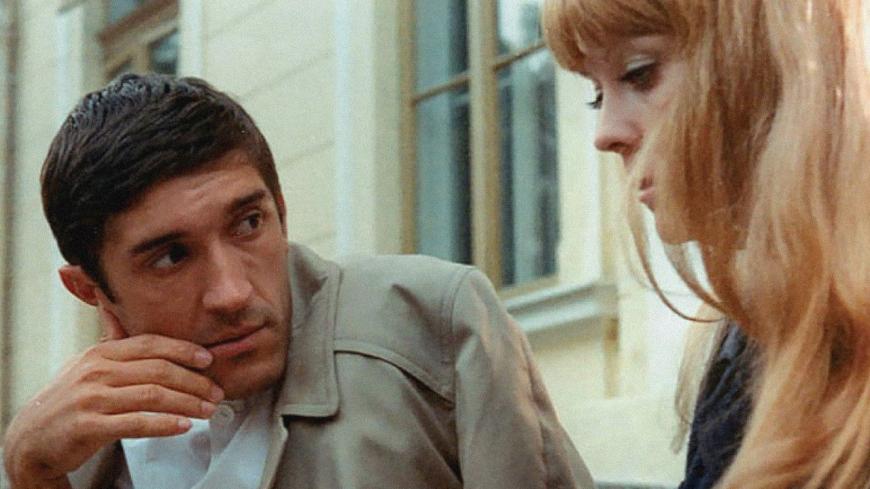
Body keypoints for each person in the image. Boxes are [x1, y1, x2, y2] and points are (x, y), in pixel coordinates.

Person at [0, 74, 594, 489]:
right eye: (171, 257)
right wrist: (33, 475)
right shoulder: (72, 444)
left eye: (248, 223)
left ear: (280, 212)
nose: (233, 292)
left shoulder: (433, 324)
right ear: (92, 291)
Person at [544, 0, 869, 488]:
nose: (605, 134)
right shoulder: (741, 333)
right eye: (596, 95)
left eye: (639, 73)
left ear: (767, 57)